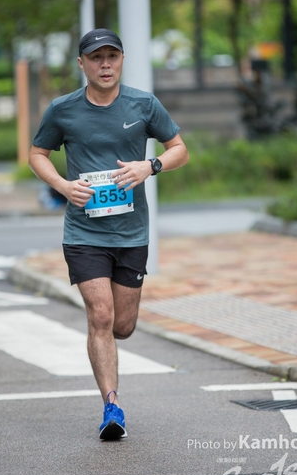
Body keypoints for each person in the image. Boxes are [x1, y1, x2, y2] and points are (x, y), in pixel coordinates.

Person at [29, 28, 189, 441]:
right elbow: (37, 154)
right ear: (81, 63)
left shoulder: (143, 104)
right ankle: (112, 407)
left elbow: (179, 149)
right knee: (100, 316)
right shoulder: (62, 110)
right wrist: (63, 186)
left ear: (121, 60)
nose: (105, 65)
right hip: (83, 232)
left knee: (122, 325)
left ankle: (108, 351)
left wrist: (149, 166)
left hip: (131, 233)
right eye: (96, 57)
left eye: (111, 57)